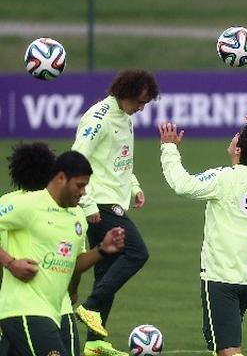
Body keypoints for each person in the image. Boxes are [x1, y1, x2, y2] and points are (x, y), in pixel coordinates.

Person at [159, 100, 247, 356]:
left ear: (238, 149)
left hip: (220, 279)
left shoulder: (223, 178)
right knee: (217, 344)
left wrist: (169, 148)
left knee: (227, 350)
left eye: (237, 136)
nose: (233, 137)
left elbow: (183, 184)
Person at [0, 150, 125, 356]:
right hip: (25, 310)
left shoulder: (76, 216)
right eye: (80, 185)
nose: (84, 192)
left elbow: (72, 265)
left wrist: (102, 249)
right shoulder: (28, 205)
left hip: (54, 312)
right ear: (60, 178)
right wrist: (11, 263)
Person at [72, 69, 159, 356]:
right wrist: (86, 203)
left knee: (106, 271)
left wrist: (134, 187)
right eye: (139, 101)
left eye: (145, 103)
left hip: (114, 200)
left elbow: (119, 159)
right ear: (125, 93)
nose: (141, 108)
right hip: (100, 203)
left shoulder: (124, 117)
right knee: (137, 252)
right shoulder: (99, 118)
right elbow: (78, 157)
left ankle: (94, 343)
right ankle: (90, 306)